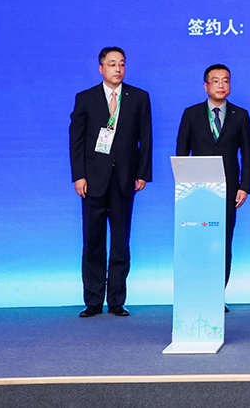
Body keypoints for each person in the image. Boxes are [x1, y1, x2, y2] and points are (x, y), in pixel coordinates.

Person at [69, 47, 152, 318]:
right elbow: (77, 142)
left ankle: (116, 300)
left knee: (120, 241)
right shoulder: (86, 98)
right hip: (92, 181)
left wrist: (142, 173)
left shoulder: (139, 97)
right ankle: (93, 300)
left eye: (122, 64)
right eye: (112, 64)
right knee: (93, 241)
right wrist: (78, 176)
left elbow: (146, 139)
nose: (118, 69)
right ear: (101, 68)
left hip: (124, 179)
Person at [176, 64, 250, 309]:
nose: (221, 85)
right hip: (197, 191)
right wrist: (183, 187)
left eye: (226, 81)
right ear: (206, 86)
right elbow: (181, 153)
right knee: (197, 242)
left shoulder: (240, 115)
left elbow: (248, 154)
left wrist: (245, 186)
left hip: (229, 191)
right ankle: (197, 292)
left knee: (222, 242)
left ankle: (216, 295)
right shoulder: (191, 114)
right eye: (216, 81)